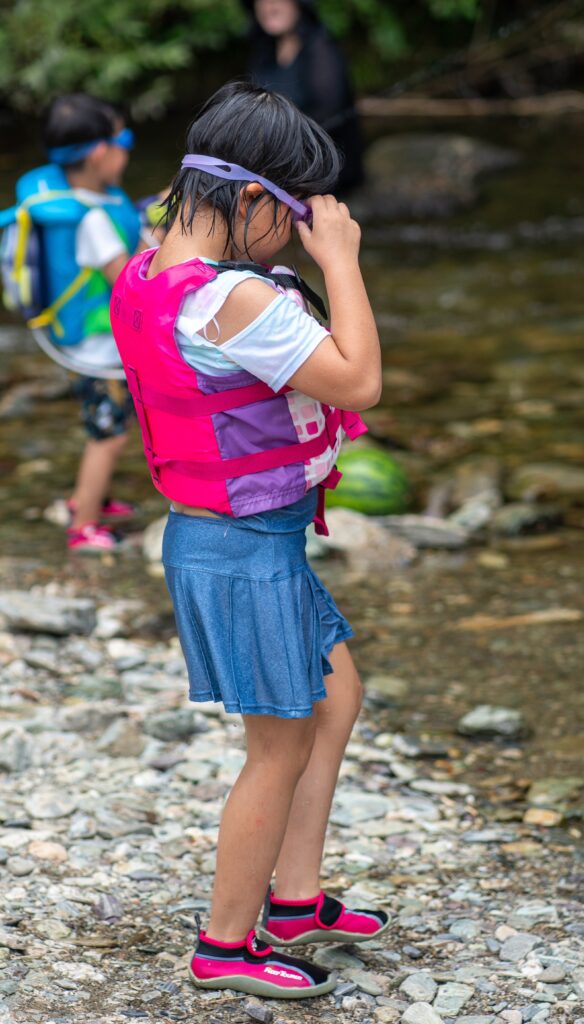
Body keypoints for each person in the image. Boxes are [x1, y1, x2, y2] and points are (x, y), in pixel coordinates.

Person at [110, 81, 386, 999]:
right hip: (242, 551)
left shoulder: (149, 271)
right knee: (277, 747)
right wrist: (340, 261)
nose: (304, 233)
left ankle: (296, 900)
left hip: (236, 540)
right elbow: (357, 382)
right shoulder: (230, 302)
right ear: (254, 201)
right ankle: (225, 946)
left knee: (333, 698)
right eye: (297, 215)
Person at [41, 95, 142, 552]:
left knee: (110, 425)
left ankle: (91, 497)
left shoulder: (93, 198)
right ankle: (82, 524)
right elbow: (127, 280)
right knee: (109, 436)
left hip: (87, 348)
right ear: (102, 152)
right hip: (98, 356)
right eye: (125, 140)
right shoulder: (95, 218)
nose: (127, 151)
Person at [243, 0, 365, 193]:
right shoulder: (262, 51)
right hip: (275, 164)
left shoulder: (321, 48)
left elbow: (327, 115)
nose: (269, 7)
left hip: (324, 169)